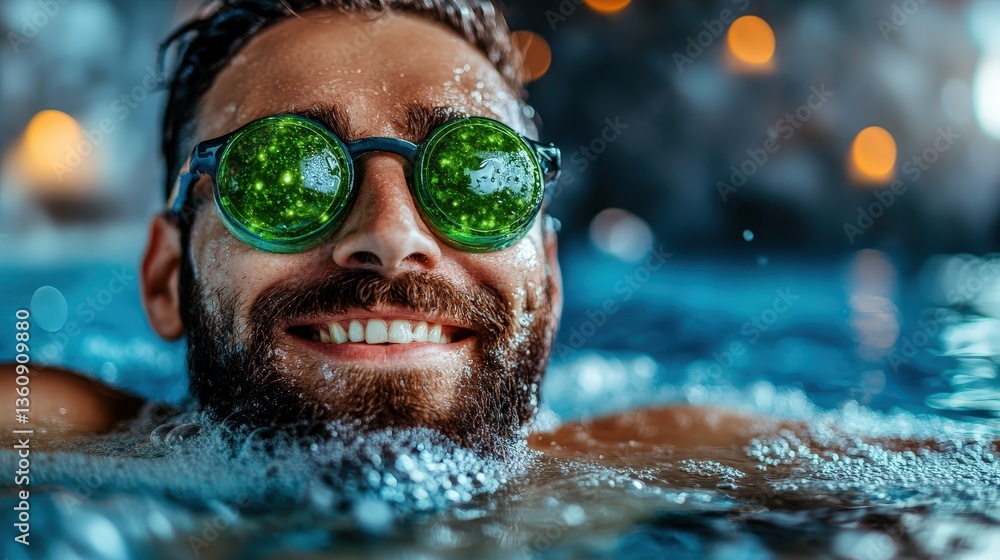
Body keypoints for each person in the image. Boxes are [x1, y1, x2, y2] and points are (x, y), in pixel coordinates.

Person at [1, 0, 767, 458]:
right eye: (286, 174)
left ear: (552, 282)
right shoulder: (64, 440)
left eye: (476, 178)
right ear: (168, 279)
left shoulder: (686, 456)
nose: (393, 235)